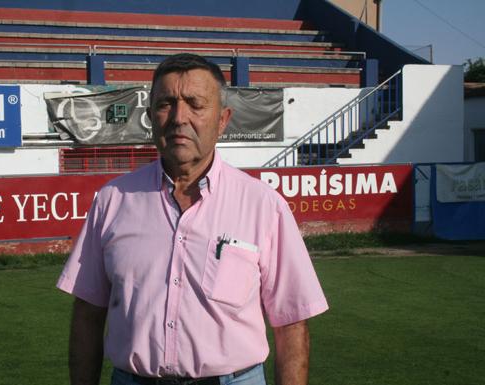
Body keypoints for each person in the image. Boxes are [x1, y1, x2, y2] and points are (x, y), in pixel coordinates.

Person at [57, 53, 328, 385]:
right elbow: (88, 314)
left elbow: (291, 323)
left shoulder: (263, 206)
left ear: (223, 119)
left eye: (195, 103)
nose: (179, 117)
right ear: (151, 116)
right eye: (166, 103)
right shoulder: (112, 201)